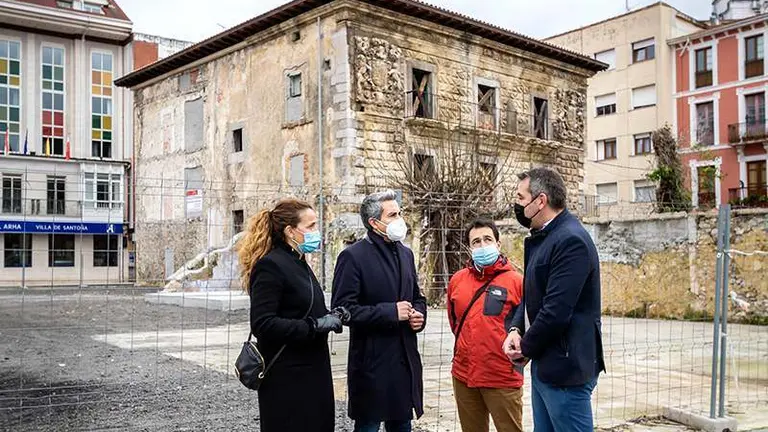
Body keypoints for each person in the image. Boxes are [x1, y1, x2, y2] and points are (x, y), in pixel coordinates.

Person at [502, 167, 606, 432]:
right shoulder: (546, 238)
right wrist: (516, 328)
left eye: (520, 197)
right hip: (547, 363)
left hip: (566, 369)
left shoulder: (571, 240)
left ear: (541, 201)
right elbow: (531, 296)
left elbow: (556, 311)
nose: (517, 204)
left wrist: (525, 348)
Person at [238, 199, 342, 432]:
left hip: (313, 372)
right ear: (290, 231)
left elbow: (302, 306)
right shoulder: (271, 265)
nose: (317, 232)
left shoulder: (299, 261)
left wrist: (332, 316)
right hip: (287, 378)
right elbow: (263, 324)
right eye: (311, 226)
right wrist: (313, 326)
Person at [332, 190, 427, 432]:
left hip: (404, 361)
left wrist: (418, 315)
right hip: (371, 364)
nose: (400, 219)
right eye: (393, 215)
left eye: (400, 213)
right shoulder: (352, 256)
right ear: (375, 223)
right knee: (369, 426)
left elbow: (417, 297)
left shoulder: (405, 254)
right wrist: (390, 312)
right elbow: (343, 310)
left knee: (402, 425)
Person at [447, 218, 525, 432]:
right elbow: (455, 322)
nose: (482, 246)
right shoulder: (457, 281)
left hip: (502, 377)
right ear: (469, 248)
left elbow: (527, 326)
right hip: (464, 376)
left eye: (487, 239)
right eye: (476, 242)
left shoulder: (517, 282)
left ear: (498, 245)